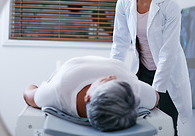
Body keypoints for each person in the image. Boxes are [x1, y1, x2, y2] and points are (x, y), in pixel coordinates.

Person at [110, 0, 192, 135]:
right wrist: (112, 74)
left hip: (167, 74)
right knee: (140, 124)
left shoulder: (169, 5)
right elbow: (119, 43)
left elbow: (168, 51)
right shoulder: (124, 2)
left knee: (167, 126)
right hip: (141, 71)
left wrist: (157, 90)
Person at [23, 55, 159, 132]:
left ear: (87, 97)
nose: (111, 76)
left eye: (106, 80)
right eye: (113, 81)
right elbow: (156, 98)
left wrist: (37, 88)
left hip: (70, 68)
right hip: (114, 64)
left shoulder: (56, 92)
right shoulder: (133, 88)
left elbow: (28, 93)